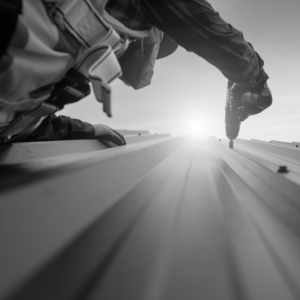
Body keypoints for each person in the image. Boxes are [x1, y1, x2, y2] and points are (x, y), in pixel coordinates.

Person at [0, 0, 272, 144]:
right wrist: (254, 76)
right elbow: (204, 26)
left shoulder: (75, 55)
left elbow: (17, 115)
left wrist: (80, 130)